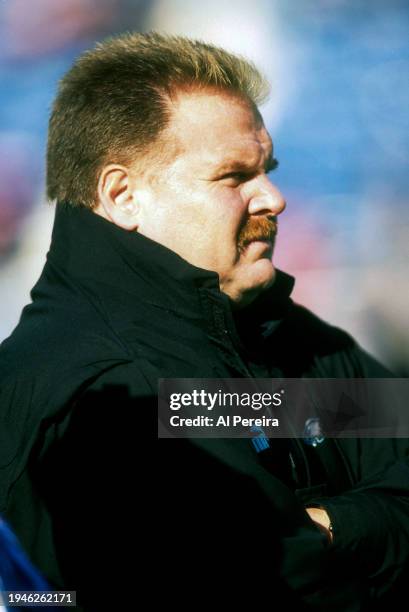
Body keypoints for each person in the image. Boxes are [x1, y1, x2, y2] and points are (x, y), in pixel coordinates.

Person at [0, 32, 408, 611]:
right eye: (234, 177)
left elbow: (389, 422)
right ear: (123, 196)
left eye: (266, 169)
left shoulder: (282, 339)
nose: (274, 198)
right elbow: (254, 579)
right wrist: (349, 529)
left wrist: (329, 528)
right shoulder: (91, 393)